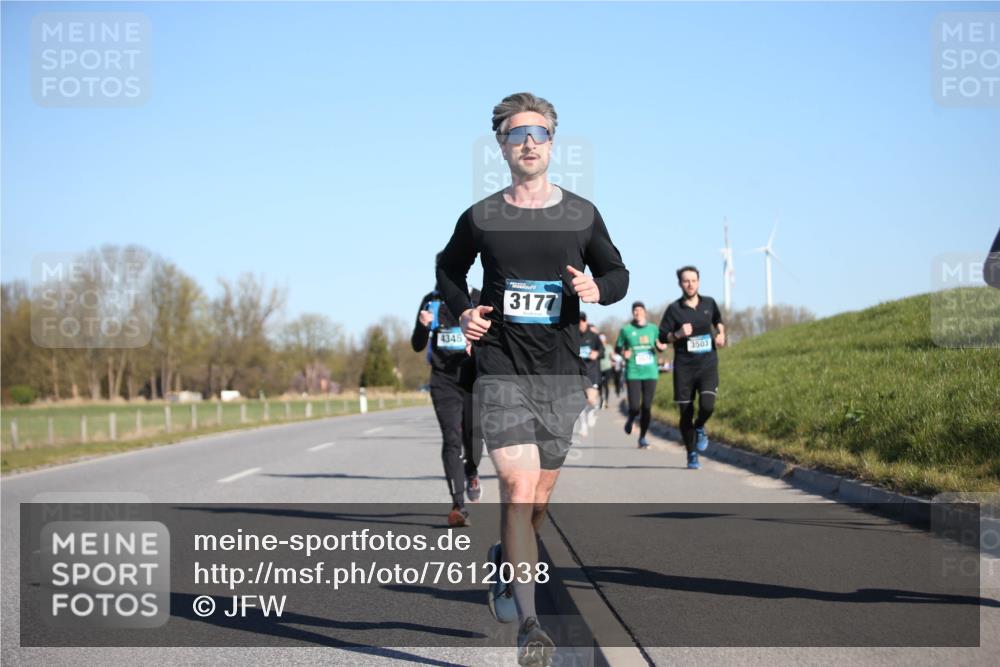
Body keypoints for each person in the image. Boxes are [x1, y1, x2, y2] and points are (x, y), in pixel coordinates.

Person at [436, 92, 628, 667]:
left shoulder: (582, 213)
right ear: (500, 144)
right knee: (518, 491)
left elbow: (616, 271)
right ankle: (531, 623)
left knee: (539, 498)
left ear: (552, 143)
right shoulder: (482, 216)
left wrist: (600, 289)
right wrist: (461, 311)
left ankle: (504, 557)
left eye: (538, 133)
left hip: (560, 372)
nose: (527, 143)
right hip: (499, 369)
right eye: (516, 133)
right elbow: (448, 269)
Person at [411, 287, 484, 527]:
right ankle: (458, 506)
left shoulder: (477, 298)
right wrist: (423, 326)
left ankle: (471, 471)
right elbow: (417, 344)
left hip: (472, 378)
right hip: (443, 380)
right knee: (451, 439)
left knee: (474, 440)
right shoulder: (430, 301)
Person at [658, 266, 726, 470]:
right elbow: (663, 337)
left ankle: (700, 426)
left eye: (693, 280)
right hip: (684, 367)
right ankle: (691, 453)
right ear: (680, 284)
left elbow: (718, 321)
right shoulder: (674, 309)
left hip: (707, 364)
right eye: (686, 281)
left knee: (707, 405)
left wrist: (721, 334)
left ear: (699, 281)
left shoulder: (709, 303)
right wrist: (677, 334)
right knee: (685, 412)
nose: (690, 284)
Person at [615, 301, 666, 449]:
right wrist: (624, 353)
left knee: (647, 407)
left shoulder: (653, 329)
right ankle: (631, 417)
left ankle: (642, 437)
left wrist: (661, 347)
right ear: (633, 313)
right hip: (633, 372)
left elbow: (659, 344)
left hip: (650, 372)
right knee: (635, 407)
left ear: (645, 312)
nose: (637, 312)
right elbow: (618, 348)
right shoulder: (626, 330)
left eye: (640, 310)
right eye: (635, 310)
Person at [577, 313, 604, 436]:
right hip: (578, 374)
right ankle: (583, 426)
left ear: (586, 321)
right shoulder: (573, 337)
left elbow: (603, 350)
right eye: (578, 322)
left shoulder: (593, 336)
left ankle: (591, 413)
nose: (580, 324)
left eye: (582, 321)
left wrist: (597, 354)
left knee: (591, 401)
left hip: (592, 372)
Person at [598, 333, 614, 408]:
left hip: (607, 368)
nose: (602, 340)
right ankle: (601, 399)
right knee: (600, 385)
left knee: (606, 384)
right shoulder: (597, 347)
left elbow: (612, 356)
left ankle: (606, 401)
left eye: (603, 338)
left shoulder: (609, 347)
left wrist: (614, 360)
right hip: (598, 368)